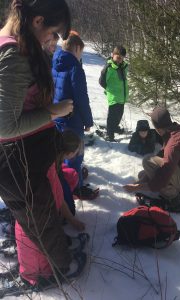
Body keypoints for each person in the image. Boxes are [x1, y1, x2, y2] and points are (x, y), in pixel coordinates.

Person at [0, 0, 77, 279]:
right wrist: (52, 112)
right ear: (37, 21)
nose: (52, 39)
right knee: (37, 223)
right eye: (53, 32)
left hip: (24, 157)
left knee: (35, 219)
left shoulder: (11, 43)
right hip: (18, 160)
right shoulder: (14, 55)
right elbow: (5, 126)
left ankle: (47, 264)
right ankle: (51, 272)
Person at [15, 130, 86, 286]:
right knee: (38, 236)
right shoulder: (49, 169)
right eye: (76, 152)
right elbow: (58, 199)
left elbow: (59, 198)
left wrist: (71, 220)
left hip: (31, 210)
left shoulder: (50, 159)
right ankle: (37, 275)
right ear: (67, 152)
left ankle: (45, 262)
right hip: (36, 218)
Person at [123, 107, 180, 211]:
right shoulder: (176, 130)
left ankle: (173, 199)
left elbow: (163, 176)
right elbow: (162, 155)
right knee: (143, 174)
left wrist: (138, 187)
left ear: (157, 128)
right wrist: (143, 180)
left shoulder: (173, 142)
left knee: (148, 161)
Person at [52, 32, 99, 199]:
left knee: (62, 152)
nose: (81, 56)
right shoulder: (75, 68)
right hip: (73, 119)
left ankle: (66, 180)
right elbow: (81, 97)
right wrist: (88, 120)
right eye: (81, 52)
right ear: (77, 47)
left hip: (57, 117)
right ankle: (76, 188)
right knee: (75, 155)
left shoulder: (54, 62)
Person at [99, 45, 129, 142]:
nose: (120, 60)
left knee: (119, 115)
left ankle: (114, 127)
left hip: (122, 97)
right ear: (113, 55)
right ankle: (109, 134)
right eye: (118, 57)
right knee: (112, 116)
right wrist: (109, 90)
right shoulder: (110, 68)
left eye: (122, 58)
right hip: (114, 97)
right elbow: (101, 81)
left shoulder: (123, 67)